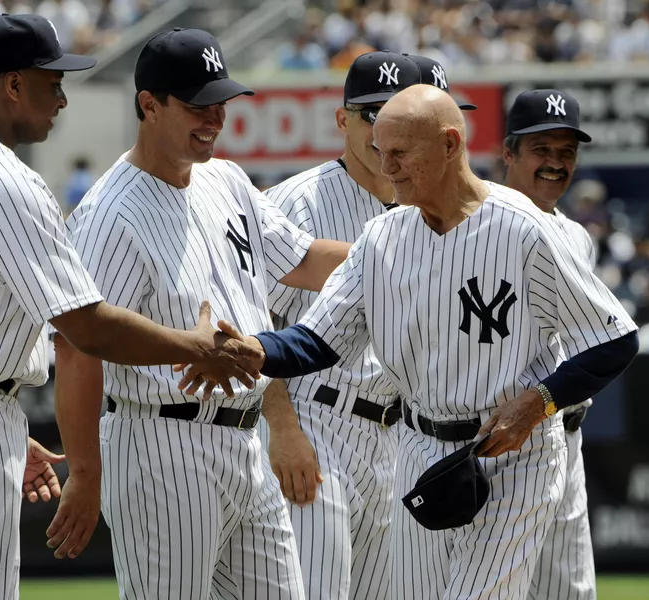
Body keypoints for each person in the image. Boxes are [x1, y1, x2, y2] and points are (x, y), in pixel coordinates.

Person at [180, 85, 639, 599]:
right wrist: (259, 352)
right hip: (418, 448)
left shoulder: (523, 229)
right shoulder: (383, 239)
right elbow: (319, 340)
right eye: (380, 150)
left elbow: (614, 339)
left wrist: (541, 402)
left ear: (449, 145)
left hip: (513, 452)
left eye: (400, 152)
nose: (387, 166)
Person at [0, 15, 260, 600]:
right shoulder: (3, 180)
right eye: (52, 84)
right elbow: (86, 327)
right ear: (14, 85)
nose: (63, 98)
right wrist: (197, 346)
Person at [46, 28, 351, 599]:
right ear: (149, 104)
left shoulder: (227, 180)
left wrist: (397, 254)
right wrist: (85, 473)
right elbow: (78, 345)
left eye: (220, 105)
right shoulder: (110, 213)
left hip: (245, 440)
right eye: (196, 106)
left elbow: (305, 260)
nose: (213, 119)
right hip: (162, 446)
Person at [262, 50, 475, 600]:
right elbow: (252, 321)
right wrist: (283, 430)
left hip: (399, 437)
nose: (390, 128)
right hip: (317, 422)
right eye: (374, 113)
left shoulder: (440, 209)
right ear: (343, 120)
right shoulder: (295, 203)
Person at [501, 89, 597, 600]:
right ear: (509, 152)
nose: (556, 164)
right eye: (542, 149)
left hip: (566, 435)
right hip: (500, 443)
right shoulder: (479, 222)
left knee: (570, 592)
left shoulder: (578, 236)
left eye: (567, 152)